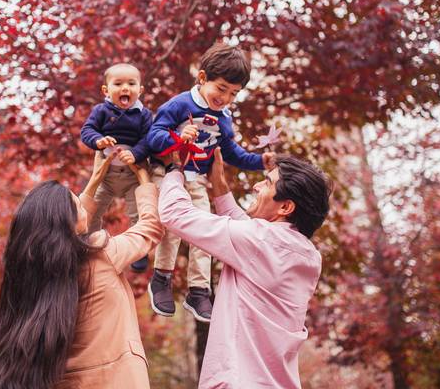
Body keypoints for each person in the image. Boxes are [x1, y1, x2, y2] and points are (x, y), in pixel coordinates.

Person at [0, 151, 162, 389]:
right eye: (74, 202)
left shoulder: (37, 275)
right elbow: (150, 229)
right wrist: (145, 182)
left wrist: (95, 180)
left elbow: (68, 229)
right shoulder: (101, 253)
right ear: (66, 219)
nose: (79, 203)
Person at [158, 149, 332, 388]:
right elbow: (248, 236)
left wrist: (173, 170)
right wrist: (218, 183)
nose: (256, 187)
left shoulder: (257, 242)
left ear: (285, 208)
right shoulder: (310, 258)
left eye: (267, 183)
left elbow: (174, 214)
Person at [146, 42, 274, 322]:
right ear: (202, 78)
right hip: (169, 172)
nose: (225, 98)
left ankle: (199, 289)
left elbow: (231, 153)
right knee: (173, 228)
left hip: (197, 179)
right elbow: (152, 137)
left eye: (233, 93)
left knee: (205, 229)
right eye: (221, 88)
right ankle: (161, 278)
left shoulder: (224, 118)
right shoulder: (180, 105)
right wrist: (178, 139)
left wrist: (259, 161)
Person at [80, 62, 153, 271]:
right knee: (94, 208)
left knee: (137, 211)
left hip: (132, 175)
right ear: (106, 90)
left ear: (140, 90)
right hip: (107, 175)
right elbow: (87, 130)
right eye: (118, 83)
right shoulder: (101, 111)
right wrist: (98, 141)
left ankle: (139, 250)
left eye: (131, 83)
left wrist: (137, 153)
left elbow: (149, 139)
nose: (125, 88)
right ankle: (88, 242)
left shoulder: (143, 115)